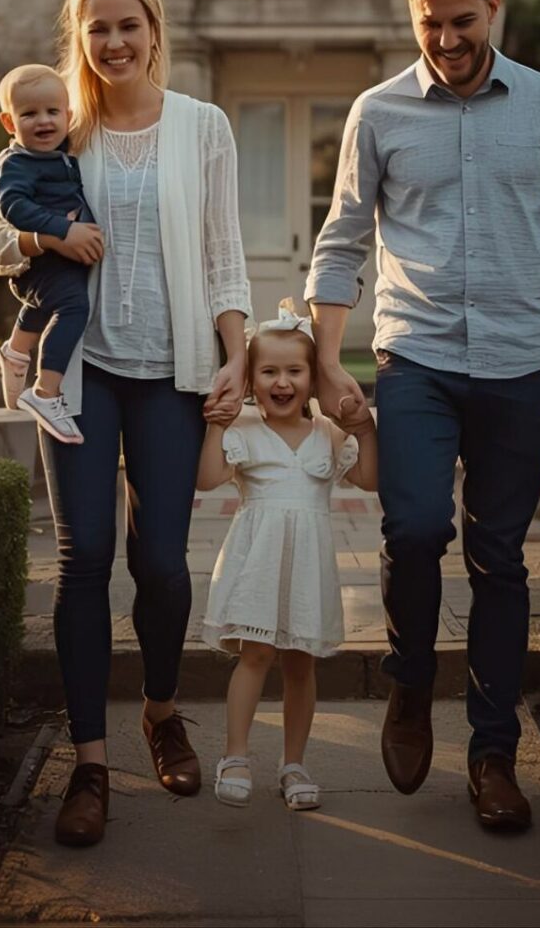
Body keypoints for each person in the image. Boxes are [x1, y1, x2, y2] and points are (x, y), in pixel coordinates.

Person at [305, 0, 540, 834]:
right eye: (430, 24)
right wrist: (326, 359)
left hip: (518, 361)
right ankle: (407, 681)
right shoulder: (379, 112)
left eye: (462, 20)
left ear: (495, 6)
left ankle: (491, 754)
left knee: (501, 559)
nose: (446, 39)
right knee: (417, 526)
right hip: (418, 358)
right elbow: (343, 239)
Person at [0, 0, 250, 849]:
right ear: (78, 38)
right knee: (83, 555)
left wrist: (236, 358)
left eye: (129, 24)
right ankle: (90, 764)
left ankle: (162, 712)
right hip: (80, 376)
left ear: (155, 30)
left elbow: (223, 255)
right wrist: (42, 234)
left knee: (163, 564)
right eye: (98, 28)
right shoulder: (56, 127)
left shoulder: (202, 126)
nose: (115, 41)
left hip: (171, 374)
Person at [195, 300, 377, 812]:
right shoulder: (244, 429)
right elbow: (207, 479)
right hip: (257, 561)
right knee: (254, 655)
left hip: (307, 566)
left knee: (301, 664)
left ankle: (294, 763)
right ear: (251, 380)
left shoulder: (327, 432)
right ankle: (235, 756)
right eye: (269, 371)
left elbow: (368, 480)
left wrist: (364, 431)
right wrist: (215, 424)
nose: (282, 381)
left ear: (313, 379)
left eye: (294, 371)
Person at [0, 62, 104, 442]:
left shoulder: (61, 152)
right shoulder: (17, 164)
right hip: (40, 261)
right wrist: (62, 230)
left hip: (53, 264)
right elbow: (13, 208)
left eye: (53, 112)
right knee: (73, 307)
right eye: (29, 114)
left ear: (68, 115)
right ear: (9, 123)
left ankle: (17, 351)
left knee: (43, 305)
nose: (44, 122)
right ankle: (46, 392)